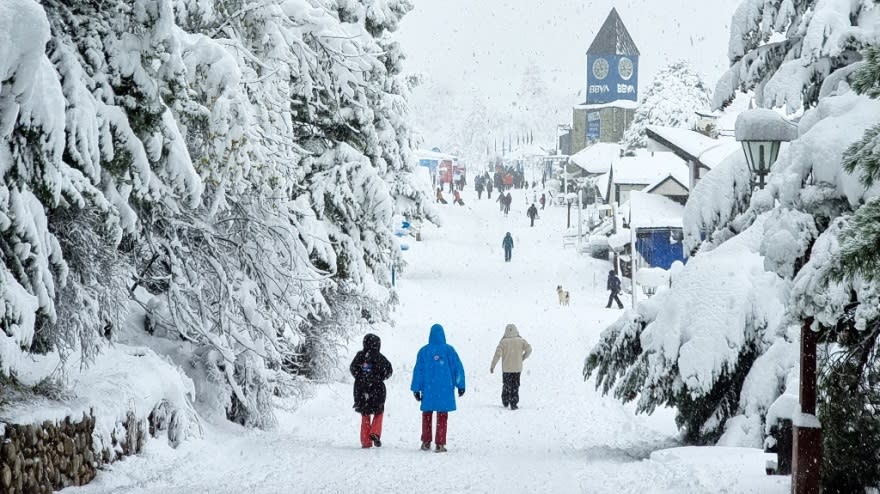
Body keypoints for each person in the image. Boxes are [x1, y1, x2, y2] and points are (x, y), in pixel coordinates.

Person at [411, 323, 466, 453]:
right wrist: (461, 385)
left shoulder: (424, 351)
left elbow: (418, 371)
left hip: (428, 390)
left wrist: (416, 388)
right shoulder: (449, 350)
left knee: (427, 415)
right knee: (442, 416)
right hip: (444, 390)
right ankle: (440, 444)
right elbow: (457, 368)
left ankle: (426, 441)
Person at [350, 334, 393, 448]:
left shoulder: (360, 356)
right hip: (377, 389)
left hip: (361, 389)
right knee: (379, 412)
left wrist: (360, 377)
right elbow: (389, 370)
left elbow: (353, 368)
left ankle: (365, 441)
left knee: (365, 413)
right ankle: (375, 432)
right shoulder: (380, 357)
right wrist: (379, 378)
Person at [490, 324, 532, 410]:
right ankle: (514, 403)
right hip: (517, 368)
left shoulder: (503, 342)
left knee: (506, 384)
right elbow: (529, 349)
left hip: (507, 369)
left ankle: (505, 400)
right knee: (515, 385)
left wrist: (492, 366)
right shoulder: (521, 341)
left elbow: (497, 355)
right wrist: (522, 358)